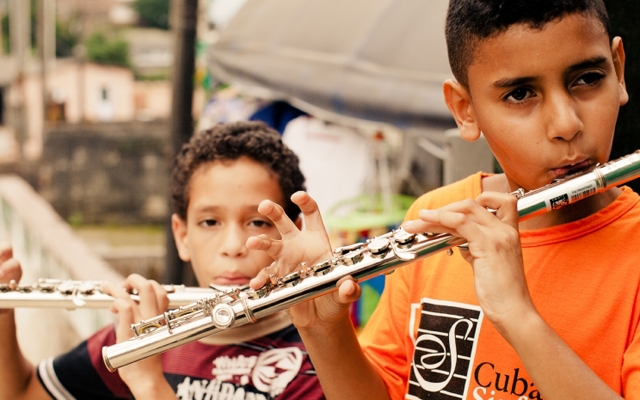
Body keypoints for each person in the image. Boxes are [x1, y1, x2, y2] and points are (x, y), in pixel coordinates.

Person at [246, 1, 640, 399]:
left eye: (588, 78)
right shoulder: (436, 217)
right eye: (521, 94)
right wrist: (323, 328)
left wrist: (518, 316)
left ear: (618, 70)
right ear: (465, 110)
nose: (566, 124)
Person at [0, 121, 325, 399]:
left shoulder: (319, 358)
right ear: (182, 235)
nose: (233, 246)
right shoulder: (146, 330)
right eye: (209, 222)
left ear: (293, 236)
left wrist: (148, 381)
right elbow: (21, 393)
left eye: (258, 222)